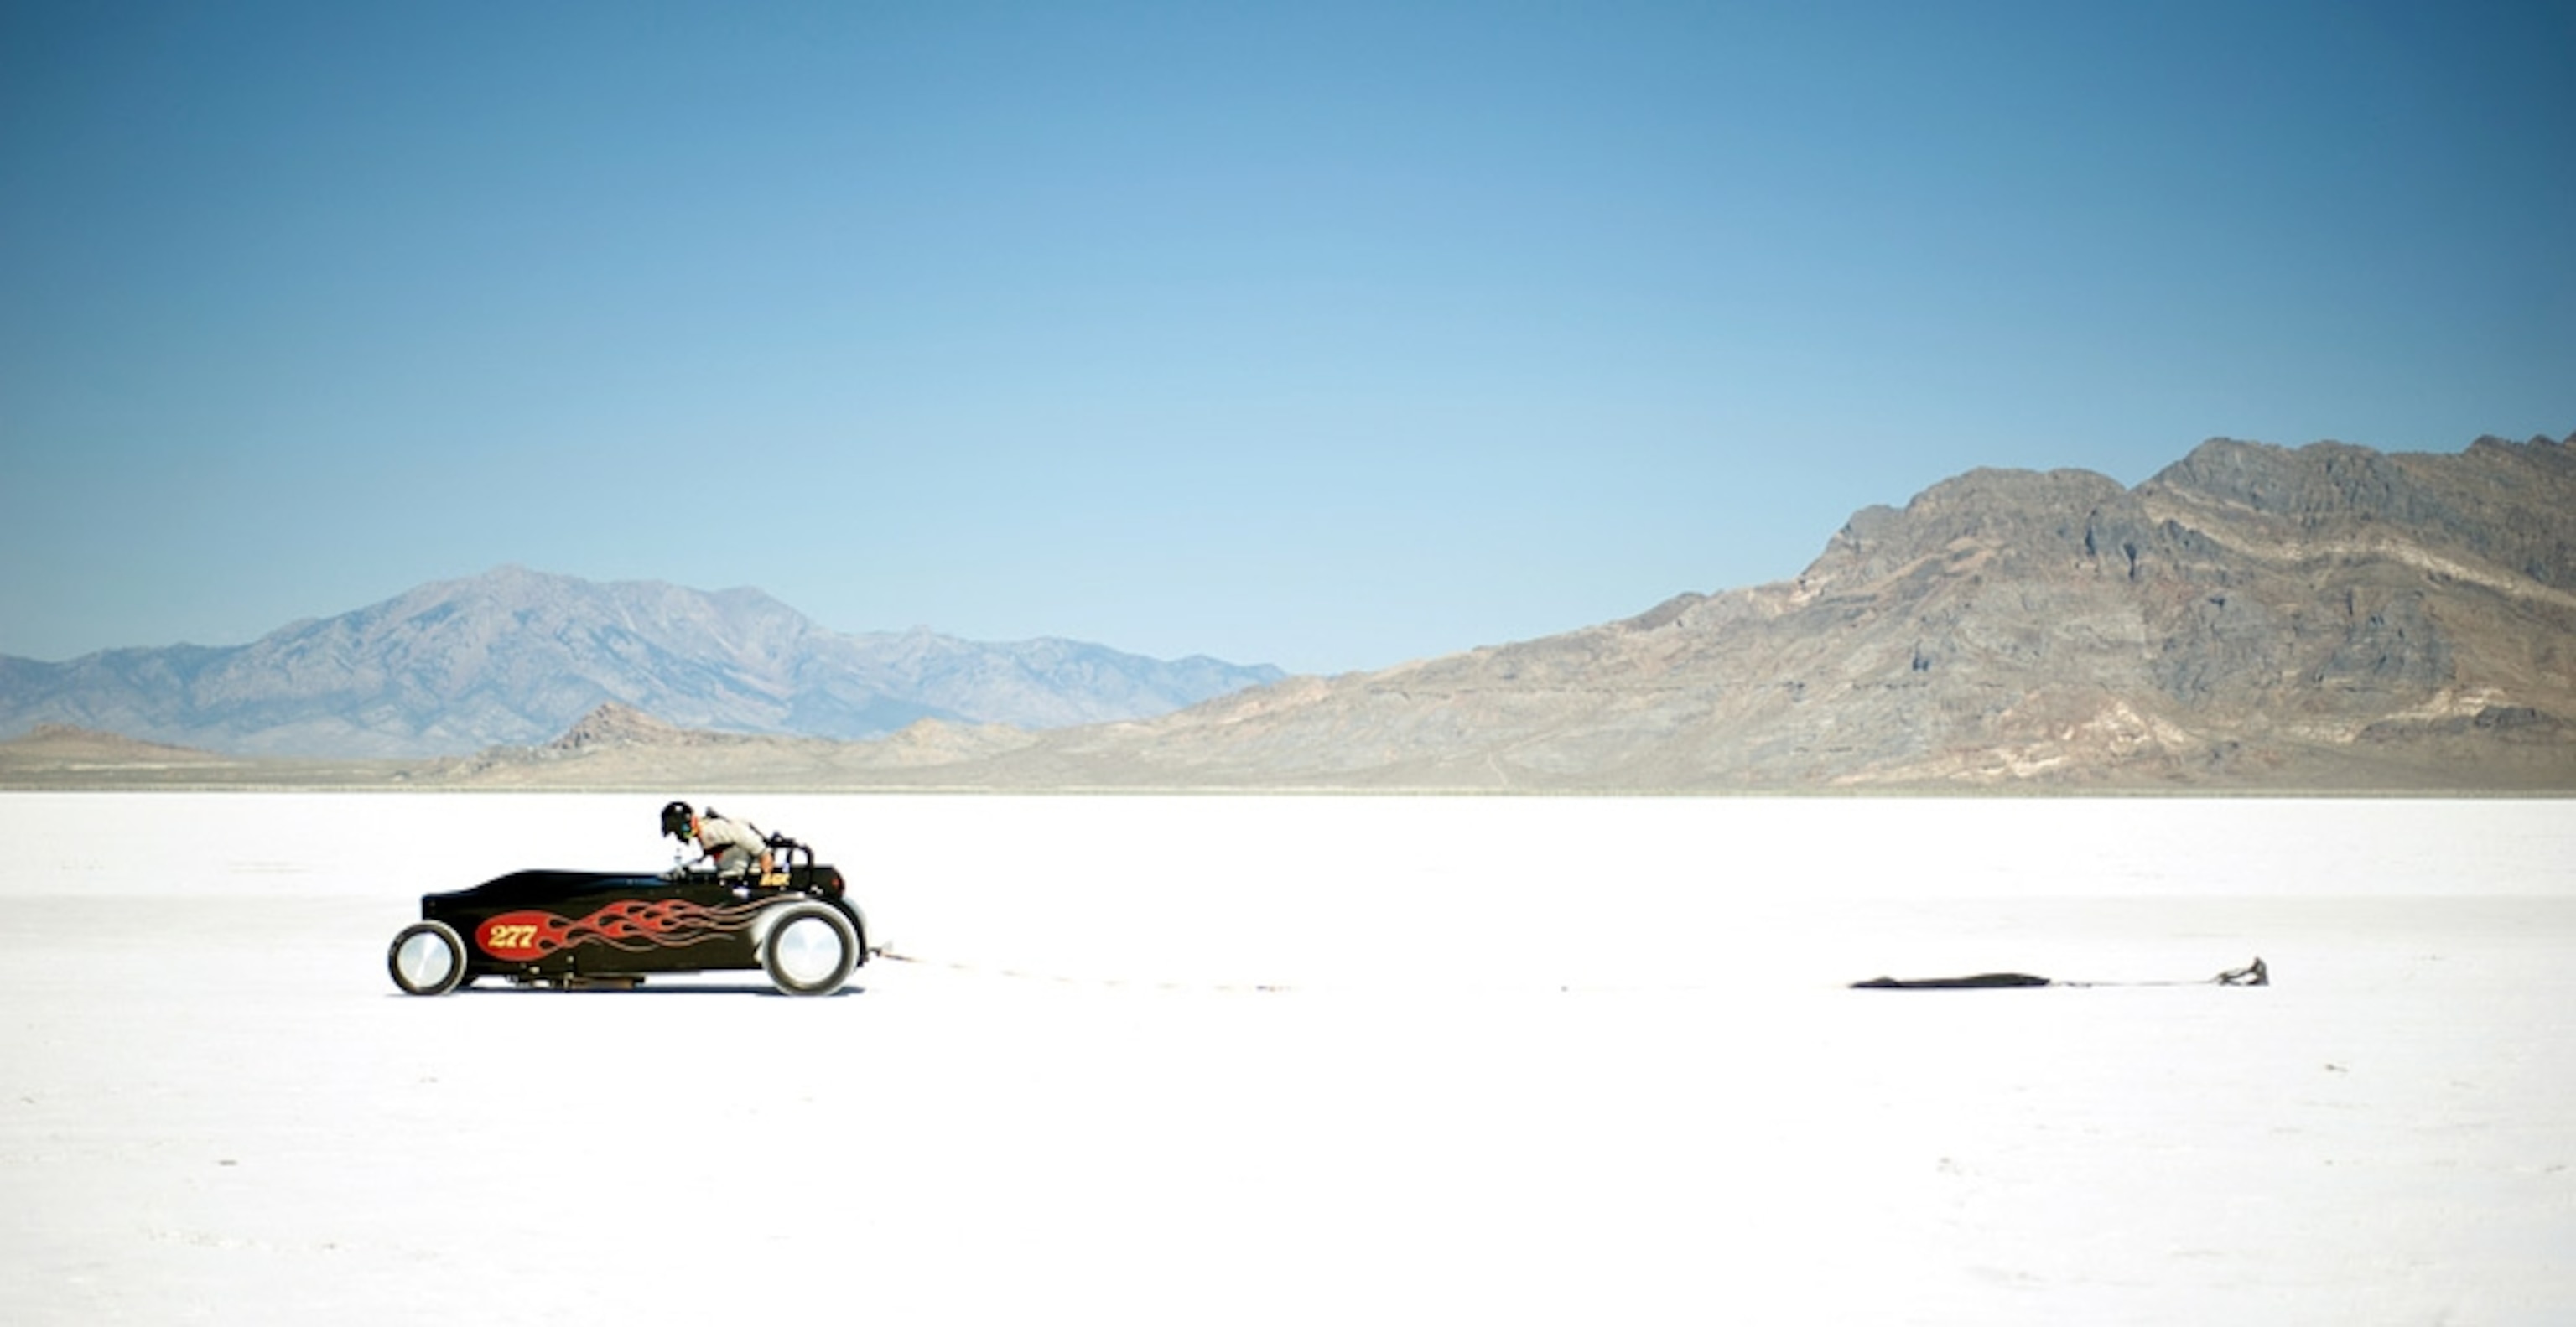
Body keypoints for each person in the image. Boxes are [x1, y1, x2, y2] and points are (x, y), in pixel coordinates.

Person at [659, 800, 772, 878]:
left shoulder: (714, 828)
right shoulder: (704, 835)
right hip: (728, 877)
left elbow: (763, 852)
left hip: (742, 880)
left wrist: (763, 878)